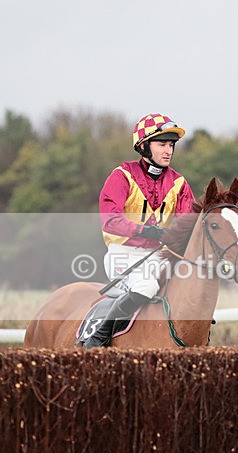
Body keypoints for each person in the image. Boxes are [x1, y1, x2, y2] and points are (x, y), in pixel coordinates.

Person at [82, 113, 196, 347]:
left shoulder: (179, 183)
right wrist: (146, 231)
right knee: (147, 286)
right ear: (144, 146)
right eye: (162, 144)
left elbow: (188, 222)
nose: (168, 151)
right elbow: (110, 220)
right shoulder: (122, 176)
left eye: (171, 145)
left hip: (159, 256)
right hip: (124, 254)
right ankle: (99, 336)